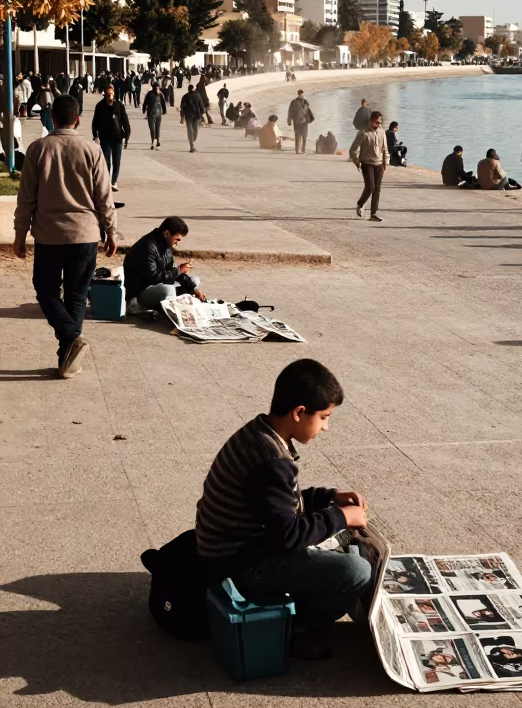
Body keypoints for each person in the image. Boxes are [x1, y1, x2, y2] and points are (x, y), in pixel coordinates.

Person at [194, 359, 372, 658]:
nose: (326, 427)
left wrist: (328, 497)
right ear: (299, 413)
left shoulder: (259, 432)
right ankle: (295, 628)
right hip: (240, 567)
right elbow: (287, 534)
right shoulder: (271, 461)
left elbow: (276, 504)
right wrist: (341, 516)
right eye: (325, 417)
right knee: (357, 570)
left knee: (348, 549)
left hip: (234, 549)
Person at [12, 94, 116, 378]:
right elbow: (104, 197)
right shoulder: (92, 150)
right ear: (78, 118)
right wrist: (110, 230)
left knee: (45, 290)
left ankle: (69, 346)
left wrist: (20, 233)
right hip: (85, 234)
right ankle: (69, 349)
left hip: (49, 235)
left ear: (52, 117)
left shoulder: (37, 149)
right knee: (76, 296)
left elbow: (26, 198)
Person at [123, 216, 207, 312]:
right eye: (177, 239)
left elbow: (172, 270)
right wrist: (178, 271)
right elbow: (152, 278)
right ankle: (170, 306)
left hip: (160, 285)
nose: (177, 243)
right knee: (168, 290)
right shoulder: (147, 246)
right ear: (167, 233)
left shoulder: (166, 246)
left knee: (194, 281)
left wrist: (193, 290)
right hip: (142, 292)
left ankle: (174, 300)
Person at [350, 109, 388, 221]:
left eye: (380, 123)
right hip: (367, 163)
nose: (378, 124)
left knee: (377, 188)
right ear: (371, 121)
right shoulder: (363, 132)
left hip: (379, 163)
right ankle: (360, 204)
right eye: (376, 122)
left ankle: (374, 214)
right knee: (370, 187)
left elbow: (385, 148)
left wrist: (386, 163)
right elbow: (353, 149)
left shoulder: (382, 132)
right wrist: (357, 161)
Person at [91, 82, 131, 191]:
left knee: (116, 161)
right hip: (105, 138)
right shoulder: (100, 106)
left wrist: (127, 134)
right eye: (108, 94)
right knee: (106, 161)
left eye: (111, 94)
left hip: (117, 138)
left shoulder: (119, 106)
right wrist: (95, 135)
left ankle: (114, 181)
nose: (110, 96)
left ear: (114, 94)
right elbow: (95, 122)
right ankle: (107, 180)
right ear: (105, 94)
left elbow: (125, 121)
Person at [179, 84, 205, 153]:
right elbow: (201, 105)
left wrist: (182, 117)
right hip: (196, 115)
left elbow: (182, 107)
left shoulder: (185, 96)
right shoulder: (197, 95)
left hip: (189, 116)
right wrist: (202, 113)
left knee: (190, 130)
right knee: (195, 130)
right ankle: (192, 144)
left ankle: (192, 144)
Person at [287, 89, 314, 154]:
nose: (302, 96)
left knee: (304, 136)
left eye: (303, 94)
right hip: (297, 122)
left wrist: (309, 118)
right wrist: (289, 120)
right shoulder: (294, 102)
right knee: (297, 136)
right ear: (298, 94)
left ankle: (303, 149)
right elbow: (290, 112)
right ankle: (297, 150)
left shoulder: (305, 102)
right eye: (301, 94)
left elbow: (307, 111)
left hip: (304, 122)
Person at [142, 82, 167, 149]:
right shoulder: (160, 94)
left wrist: (144, 110)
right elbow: (163, 103)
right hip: (158, 112)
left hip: (151, 113)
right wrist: (164, 111)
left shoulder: (149, 94)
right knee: (157, 128)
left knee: (152, 128)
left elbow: (145, 103)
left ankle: (153, 141)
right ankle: (157, 141)